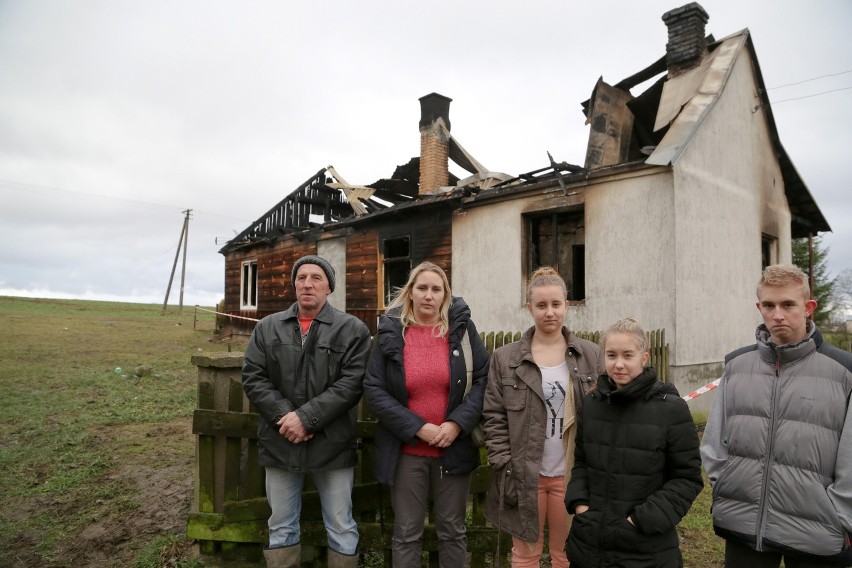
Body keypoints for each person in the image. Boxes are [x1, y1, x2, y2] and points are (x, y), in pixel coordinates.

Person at [701, 263, 852, 567]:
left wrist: (839, 514)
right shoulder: (737, 366)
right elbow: (714, 442)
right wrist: (726, 486)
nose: (777, 314)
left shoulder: (843, 371)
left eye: (788, 304)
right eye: (769, 305)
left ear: (808, 307)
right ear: (760, 307)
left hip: (816, 533)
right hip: (743, 525)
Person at [242, 255, 371, 568]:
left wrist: (306, 418)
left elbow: (352, 384)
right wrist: (287, 418)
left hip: (332, 444)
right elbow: (253, 376)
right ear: (294, 285)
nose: (308, 283)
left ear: (329, 286)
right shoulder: (268, 328)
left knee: (340, 525)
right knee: (281, 525)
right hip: (280, 440)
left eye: (316, 277)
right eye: (301, 278)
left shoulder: (352, 329)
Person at [363, 261, 489, 567]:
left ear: (445, 294)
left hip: (453, 449)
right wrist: (418, 427)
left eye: (436, 289)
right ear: (410, 293)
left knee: (453, 532)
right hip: (407, 452)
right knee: (406, 533)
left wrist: (457, 424)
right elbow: (374, 389)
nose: (429, 295)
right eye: (422, 288)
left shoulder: (462, 331)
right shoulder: (392, 333)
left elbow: (483, 381)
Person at [482, 267, 604, 568]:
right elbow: (493, 415)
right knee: (525, 554)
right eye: (541, 305)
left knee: (568, 554)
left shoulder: (591, 354)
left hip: (572, 474)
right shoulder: (506, 359)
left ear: (566, 304)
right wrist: (504, 462)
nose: (550, 313)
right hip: (525, 475)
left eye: (556, 304)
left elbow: (605, 413)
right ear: (529, 308)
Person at [565, 317, 703, 568]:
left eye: (627, 355)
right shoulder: (593, 404)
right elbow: (582, 462)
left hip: (646, 549)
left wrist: (641, 520)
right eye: (611, 355)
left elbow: (687, 478)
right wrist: (581, 506)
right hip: (590, 545)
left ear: (644, 357)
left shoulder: (670, 409)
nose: (618, 364)